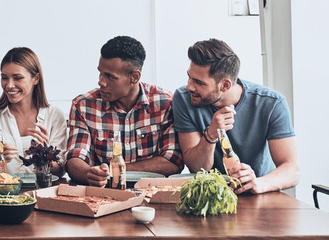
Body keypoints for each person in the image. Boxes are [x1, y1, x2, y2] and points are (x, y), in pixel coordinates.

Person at [173, 38, 298, 194]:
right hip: (209, 196)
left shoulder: (272, 103)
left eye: (199, 82)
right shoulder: (184, 98)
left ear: (225, 85)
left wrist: (258, 183)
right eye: (189, 77)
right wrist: (211, 134)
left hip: (260, 196)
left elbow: (292, 170)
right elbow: (196, 168)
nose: (189, 86)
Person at [66, 36, 183, 187]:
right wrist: (89, 174)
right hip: (102, 196)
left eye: (110, 76)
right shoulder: (83, 105)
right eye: (100, 73)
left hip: (151, 195)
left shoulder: (165, 103)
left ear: (134, 77)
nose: (101, 81)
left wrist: (116, 170)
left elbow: (172, 161)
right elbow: (75, 158)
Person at [0, 47, 67, 177]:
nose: (9, 85)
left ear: (36, 79)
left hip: (40, 193)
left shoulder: (55, 116)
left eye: (18, 78)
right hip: (0, 193)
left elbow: (60, 171)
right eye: (4, 77)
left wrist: (44, 156)